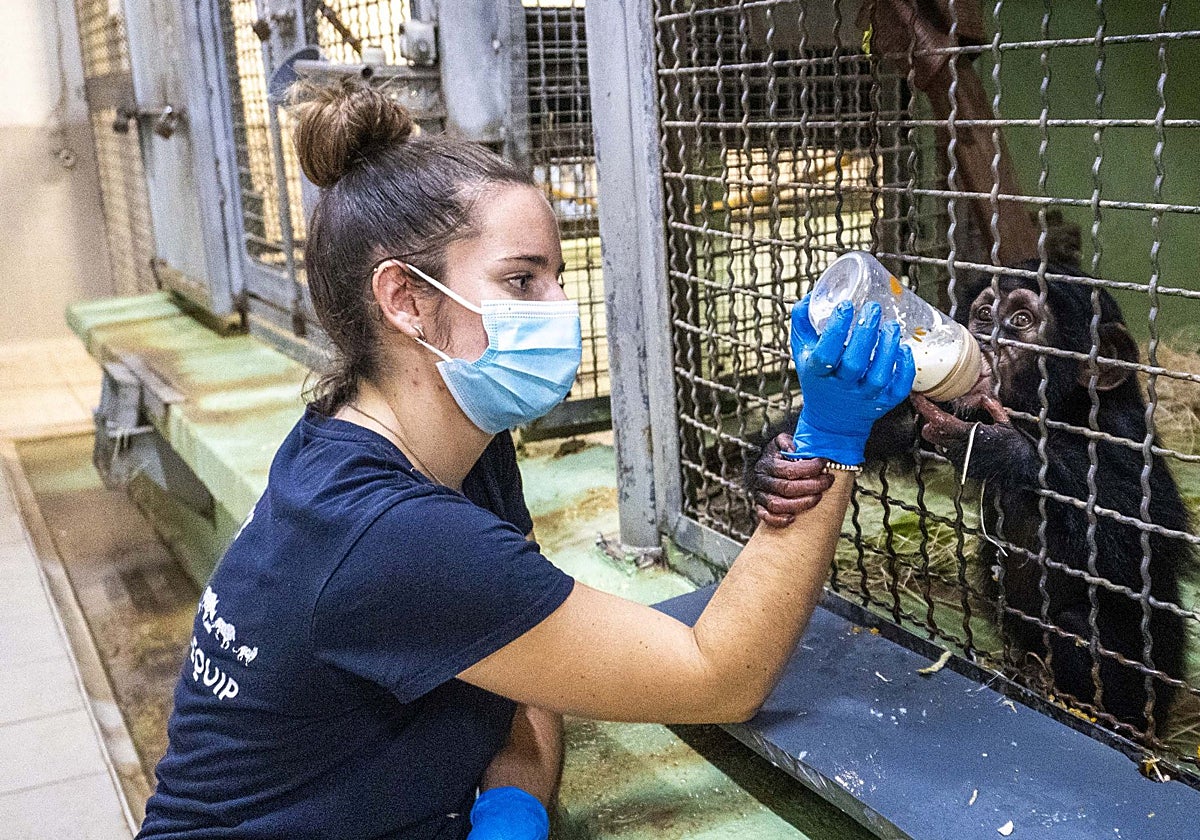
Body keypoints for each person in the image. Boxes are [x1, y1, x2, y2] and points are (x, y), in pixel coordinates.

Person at [137, 80, 914, 840]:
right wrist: (831, 436)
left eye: (557, 278)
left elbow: (522, 661)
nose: (560, 311)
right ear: (405, 300)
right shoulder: (393, 534)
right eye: (520, 280)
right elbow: (720, 676)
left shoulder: (428, 449)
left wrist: (517, 801)